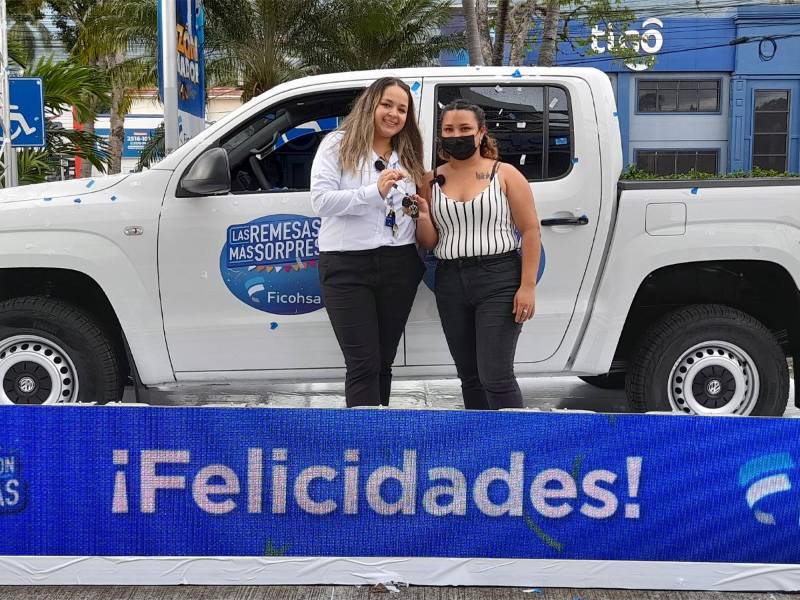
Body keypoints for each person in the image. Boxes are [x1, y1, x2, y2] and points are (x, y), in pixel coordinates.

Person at [410, 99, 541, 410]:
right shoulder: (430, 180)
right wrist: (422, 216)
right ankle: (481, 440)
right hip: (450, 280)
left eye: (465, 128)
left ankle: (514, 439)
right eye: (449, 130)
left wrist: (527, 286)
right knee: (469, 377)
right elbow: (429, 241)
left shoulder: (505, 174)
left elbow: (531, 231)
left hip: (499, 278)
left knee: (496, 375)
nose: (457, 135)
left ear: (481, 132)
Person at [310, 78, 426, 407]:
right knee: (363, 364)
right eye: (387, 104)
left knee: (383, 363)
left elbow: (407, 205)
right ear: (370, 104)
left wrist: (417, 211)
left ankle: (379, 434)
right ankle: (363, 437)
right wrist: (374, 192)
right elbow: (321, 201)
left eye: (402, 109)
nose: (394, 114)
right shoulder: (338, 144)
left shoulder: (408, 152)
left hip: (399, 264)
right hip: (347, 265)